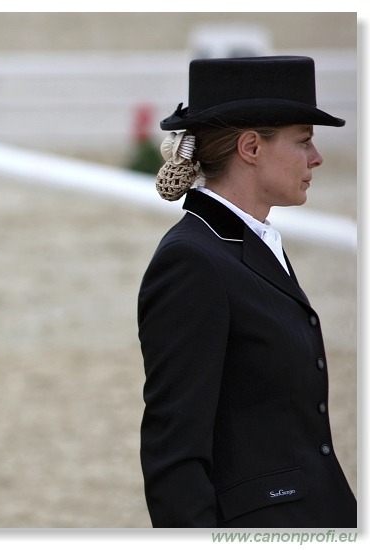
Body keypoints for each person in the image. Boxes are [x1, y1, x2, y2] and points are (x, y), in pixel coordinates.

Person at [137, 56, 356, 528]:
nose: (316, 157)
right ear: (251, 147)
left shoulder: (251, 241)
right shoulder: (192, 261)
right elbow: (173, 454)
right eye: (303, 141)